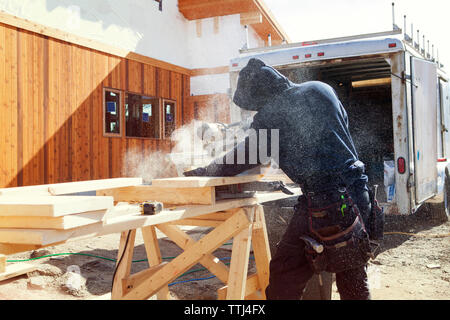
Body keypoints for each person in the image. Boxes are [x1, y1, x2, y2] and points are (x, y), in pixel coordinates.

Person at [184, 58, 383, 300]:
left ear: (259, 93)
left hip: (327, 203)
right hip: (357, 193)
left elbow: (248, 154)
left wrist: (207, 171)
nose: (256, 110)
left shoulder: (272, 113)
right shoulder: (321, 89)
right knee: (353, 283)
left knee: (284, 279)